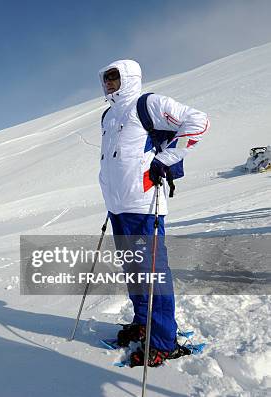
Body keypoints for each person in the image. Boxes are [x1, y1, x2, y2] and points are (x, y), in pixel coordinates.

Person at [98, 60, 209, 366]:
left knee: (154, 275)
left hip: (145, 206)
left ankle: (163, 341)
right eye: (106, 78)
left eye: (114, 77)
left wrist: (168, 157)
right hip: (118, 207)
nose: (109, 83)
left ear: (128, 77)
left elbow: (198, 121)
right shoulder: (108, 115)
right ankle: (143, 324)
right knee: (134, 272)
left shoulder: (148, 104)